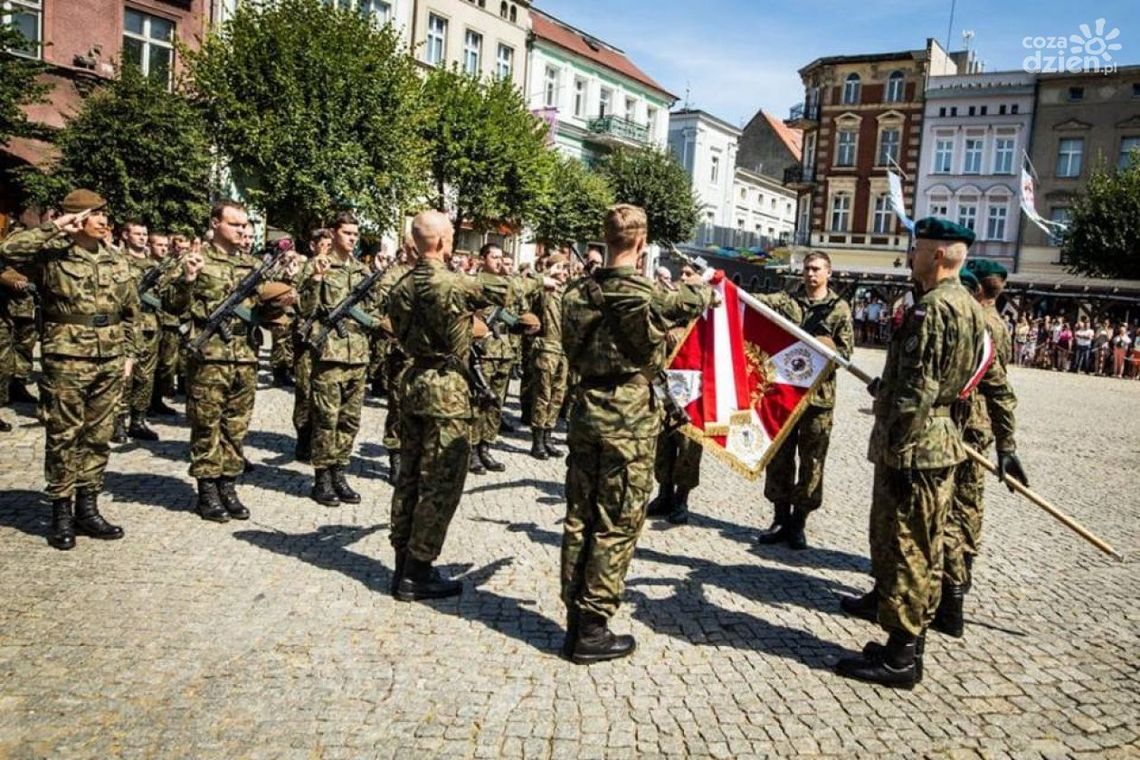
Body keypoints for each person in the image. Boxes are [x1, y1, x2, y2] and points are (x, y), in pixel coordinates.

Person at [836, 217, 1005, 689]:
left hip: (916, 448)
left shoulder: (929, 310)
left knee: (907, 547)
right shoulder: (971, 308)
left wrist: (896, 444)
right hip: (943, 440)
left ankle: (899, 658)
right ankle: (910, 643)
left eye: (915, 248)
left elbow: (917, 389)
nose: (909, 255)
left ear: (934, 255)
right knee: (926, 547)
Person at [559, 204, 714, 664]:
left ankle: (575, 613)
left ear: (605, 240)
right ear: (642, 243)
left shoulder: (573, 294)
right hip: (628, 416)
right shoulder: (647, 295)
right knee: (618, 522)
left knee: (579, 517)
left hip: (586, 408)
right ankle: (592, 627)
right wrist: (706, 289)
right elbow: (694, 300)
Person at [0, 189, 142, 550]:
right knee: (64, 435)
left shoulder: (116, 258)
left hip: (109, 357)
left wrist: (129, 354)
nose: (104, 221)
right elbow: (7, 251)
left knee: (97, 436)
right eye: (96, 214)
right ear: (77, 218)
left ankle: (88, 507)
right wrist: (55, 227)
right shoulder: (51, 255)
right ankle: (61, 511)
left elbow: (131, 312)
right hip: (66, 357)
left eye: (105, 214)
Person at [386, 210, 510, 602]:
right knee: (441, 482)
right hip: (447, 391)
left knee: (409, 478)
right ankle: (418, 571)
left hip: (413, 383)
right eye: (452, 234)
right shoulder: (455, 284)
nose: (454, 239)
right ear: (440, 242)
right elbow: (507, 292)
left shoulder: (400, 286)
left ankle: (402, 560)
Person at [166, 200, 296, 523]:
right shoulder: (196, 259)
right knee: (206, 424)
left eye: (244, 225)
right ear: (215, 223)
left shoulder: (252, 266)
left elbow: (262, 314)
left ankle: (229, 485)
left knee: (236, 426)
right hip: (209, 357)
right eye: (235, 224)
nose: (243, 230)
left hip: (245, 357)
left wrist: (281, 303)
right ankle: (207, 490)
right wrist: (186, 278)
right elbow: (169, 303)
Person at [934, 260, 1022, 639]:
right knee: (967, 507)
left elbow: (986, 380)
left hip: (964, 424)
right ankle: (959, 579)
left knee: (952, 509)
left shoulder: (979, 323)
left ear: (975, 290)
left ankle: (951, 593)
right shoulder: (996, 322)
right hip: (979, 425)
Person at [757, 251, 854, 550]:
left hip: (818, 400)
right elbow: (758, 301)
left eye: (816, 269)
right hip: (784, 394)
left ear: (828, 272)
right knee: (780, 459)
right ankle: (780, 518)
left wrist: (826, 348)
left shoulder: (839, 310)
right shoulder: (788, 302)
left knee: (812, 462)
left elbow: (846, 356)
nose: (810, 274)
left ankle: (799, 522)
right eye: (807, 269)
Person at [300, 213, 376, 506]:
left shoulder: (362, 271)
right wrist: (316, 279)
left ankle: (340, 472)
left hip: (357, 355)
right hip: (329, 354)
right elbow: (305, 310)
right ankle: (322, 478)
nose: (353, 238)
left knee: (349, 420)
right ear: (332, 234)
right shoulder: (317, 265)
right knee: (325, 419)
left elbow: (375, 311)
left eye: (356, 233)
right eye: (347, 232)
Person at [469, 243, 540, 474]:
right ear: (483, 259)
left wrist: (522, 324)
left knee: (496, 402)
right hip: (484, 349)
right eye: (494, 257)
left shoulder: (510, 285)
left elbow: (518, 311)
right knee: (478, 401)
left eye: (501, 257)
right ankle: (471, 449)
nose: (499, 261)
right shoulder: (476, 281)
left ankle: (486, 446)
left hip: (505, 349)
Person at [646, 263, 705, 526]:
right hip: (664, 381)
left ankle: (682, 499)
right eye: (680, 273)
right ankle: (663, 493)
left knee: (688, 445)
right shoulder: (671, 302)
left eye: (688, 274)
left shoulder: (708, 310)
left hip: (694, 385)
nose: (682, 277)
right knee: (663, 441)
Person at [372, 235, 417, 483]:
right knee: (399, 407)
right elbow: (383, 308)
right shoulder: (394, 276)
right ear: (409, 250)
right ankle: (396, 456)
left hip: (426, 354)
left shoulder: (434, 276)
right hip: (402, 353)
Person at [115, 220, 163, 443]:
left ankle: (138, 420)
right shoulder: (117, 261)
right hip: (125, 326)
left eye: (145, 234)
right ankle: (118, 421)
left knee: (146, 375)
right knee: (124, 376)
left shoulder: (154, 265)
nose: (143, 237)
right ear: (125, 235)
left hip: (150, 325)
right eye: (138, 233)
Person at [292, 228, 332, 462]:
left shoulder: (336, 268)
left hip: (326, 340)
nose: (326, 248)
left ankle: (320, 438)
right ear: (313, 246)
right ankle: (303, 436)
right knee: (305, 390)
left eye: (329, 244)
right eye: (322, 244)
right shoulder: (305, 268)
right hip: (306, 339)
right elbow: (296, 299)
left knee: (323, 392)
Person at [528, 252, 569, 460]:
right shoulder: (544, 290)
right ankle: (537, 440)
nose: (565, 273)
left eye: (566, 269)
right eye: (561, 268)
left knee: (558, 395)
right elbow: (532, 290)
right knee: (542, 394)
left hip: (563, 350)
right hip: (546, 347)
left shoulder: (565, 293)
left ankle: (548, 435)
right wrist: (548, 273)